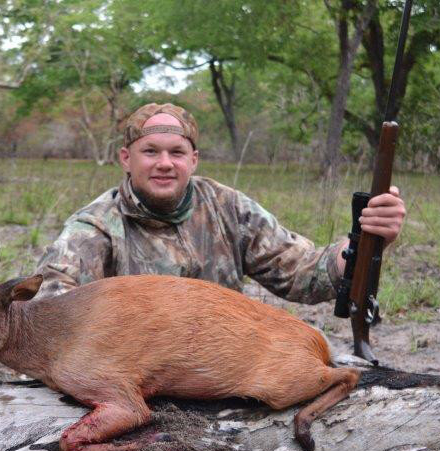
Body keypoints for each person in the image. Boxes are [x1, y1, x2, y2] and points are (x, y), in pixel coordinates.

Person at [36, 103, 406, 304]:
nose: (164, 163)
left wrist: (363, 243)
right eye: (150, 151)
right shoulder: (94, 228)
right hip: (131, 376)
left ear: (193, 160)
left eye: (176, 152)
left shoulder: (229, 208)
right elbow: (51, 311)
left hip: (222, 367)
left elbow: (302, 274)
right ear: (125, 158)